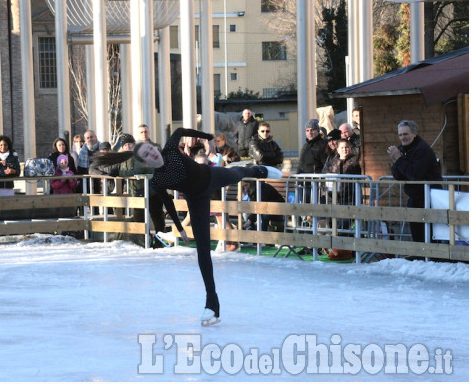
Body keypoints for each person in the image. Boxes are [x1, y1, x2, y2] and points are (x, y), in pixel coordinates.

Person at [91, 127, 281, 326]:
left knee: (237, 173)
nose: (153, 152)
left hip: (210, 176)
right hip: (196, 199)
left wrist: (206, 137)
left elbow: (180, 130)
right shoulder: (156, 180)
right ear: (146, 162)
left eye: (151, 148)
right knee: (203, 250)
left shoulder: (170, 150)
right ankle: (212, 304)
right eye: (147, 154)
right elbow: (168, 203)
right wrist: (180, 229)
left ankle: (259, 170)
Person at [388, 120, 442, 243]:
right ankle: (419, 256)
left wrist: (398, 158)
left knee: (428, 230)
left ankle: (430, 257)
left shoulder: (422, 150)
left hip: (429, 195)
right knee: (415, 229)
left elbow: (414, 174)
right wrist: (397, 160)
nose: (403, 138)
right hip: (414, 195)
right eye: (400, 135)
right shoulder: (402, 148)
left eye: (406, 134)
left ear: (414, 134)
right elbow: (397, 174)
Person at [323, 139, 362, 260]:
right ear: (337, 149)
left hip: (349, 198)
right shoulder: (331, 161)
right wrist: (326, 189)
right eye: (342, 147)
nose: (345, 149)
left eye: (347, 147)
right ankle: (335, 248)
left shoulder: (354, 161)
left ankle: (343, 249)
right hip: (333, 198)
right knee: (332, 224)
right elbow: (325, 176)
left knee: (344, 224)